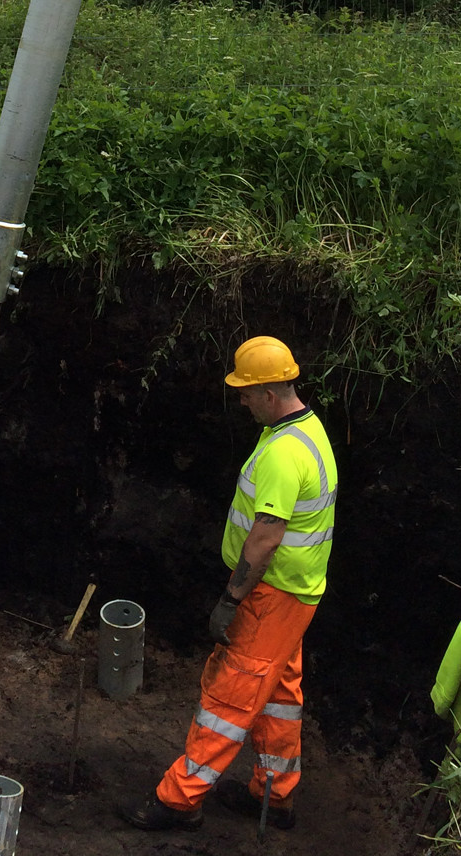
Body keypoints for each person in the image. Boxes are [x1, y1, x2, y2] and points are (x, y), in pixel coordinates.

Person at [118, 335, 338, 833]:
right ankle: (275, 798)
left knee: (229, 697)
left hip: (271, 595)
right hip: (298, 591)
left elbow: (263, 540)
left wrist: (230, 598)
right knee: (280, 695)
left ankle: (179, 799)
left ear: (269, 393)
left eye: (245, 392)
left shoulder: (284, 454)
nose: (239, 400)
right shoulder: (307, 429)